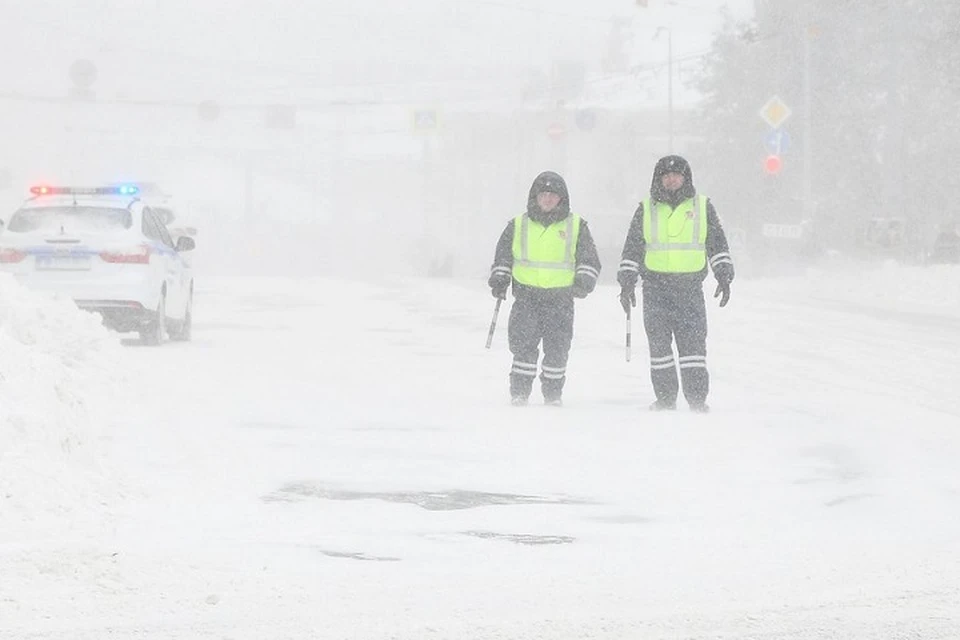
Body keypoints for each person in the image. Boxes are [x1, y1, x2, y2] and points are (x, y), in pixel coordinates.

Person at [617, 155, 734, 413]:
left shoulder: (702, 207)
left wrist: (723, 273)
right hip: (655, 289)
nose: (671, 179)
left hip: (689, 289)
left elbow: (717, 243)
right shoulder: (646, 209)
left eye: (677, 175)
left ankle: (697, 400)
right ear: (658, 179)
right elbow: (632, 248)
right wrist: (627, 281)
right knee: (659, 348)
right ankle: (665, 399)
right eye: (666, 175)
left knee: (693, 347)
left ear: (686, 178)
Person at [488, 171, 602, 406]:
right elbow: (503, 256)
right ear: (535, 197)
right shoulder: (518, 225)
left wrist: (584, 281)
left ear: (562, 199)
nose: (548, 199)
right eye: (544, 195)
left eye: (553, 195)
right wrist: (500, 279)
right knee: (523, 347)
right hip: (527, 298)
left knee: (557, 349)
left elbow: (589, 259)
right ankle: (519, 391)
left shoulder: (576, 226)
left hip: (560, 300)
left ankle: (552, 394)